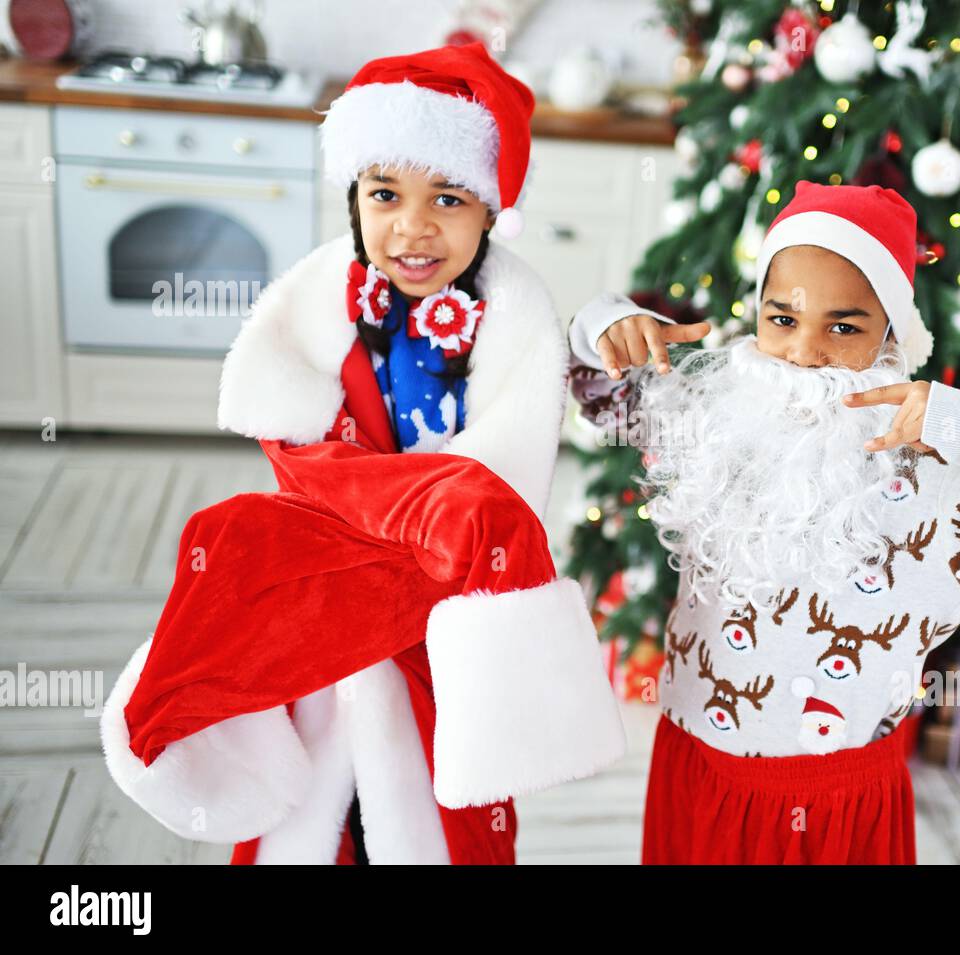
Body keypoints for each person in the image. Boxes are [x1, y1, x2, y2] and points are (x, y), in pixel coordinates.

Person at [99, 43, 626, 865]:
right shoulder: (319, 302)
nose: (412, 227)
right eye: (385, 194)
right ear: (355, 198)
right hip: (324, 611)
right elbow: (300, 446)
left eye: (447, 198)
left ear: (489, 211)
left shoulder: (510, 322)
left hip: (441, 616)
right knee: (315, 806)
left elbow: (495, 484)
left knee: (436, 807)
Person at [568, 180, 960, 864]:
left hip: (837, 804)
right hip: (696, 772)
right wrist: (602, 326)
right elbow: (592, 386)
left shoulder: (941, 484)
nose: (804, 351)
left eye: (843, 326)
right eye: (782, 319)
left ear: (891, 335)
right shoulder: (712, 419)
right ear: (757, 317)